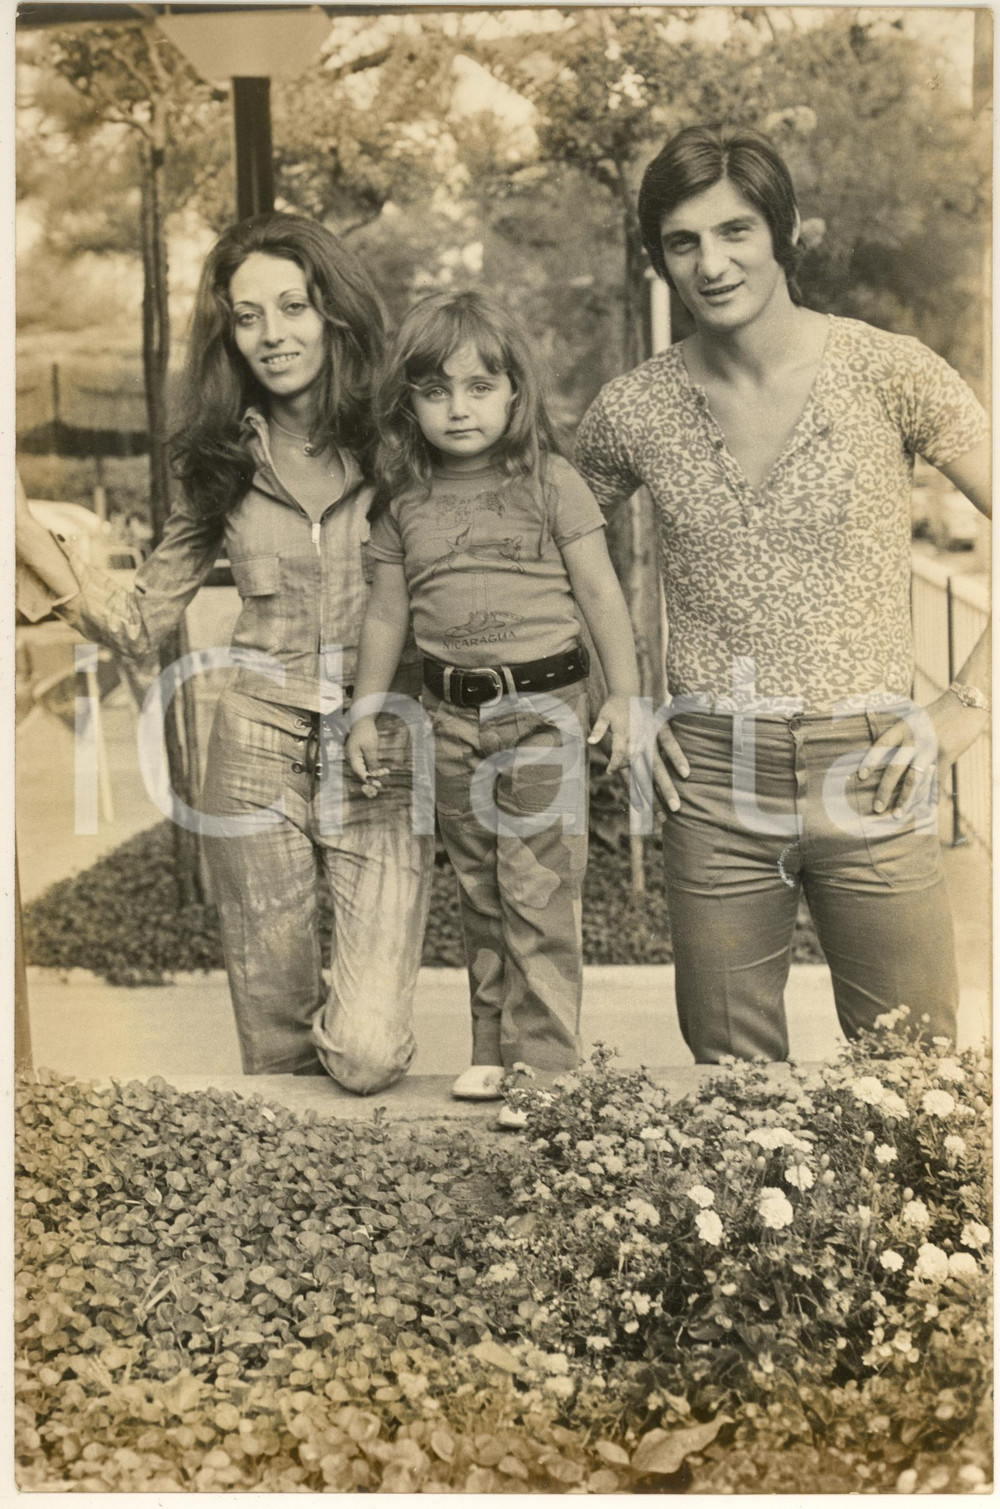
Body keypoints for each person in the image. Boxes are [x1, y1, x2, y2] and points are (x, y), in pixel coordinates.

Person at [574, 124, 990, 1064]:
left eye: (735, 231)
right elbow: (560, 551)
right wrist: (623, 691)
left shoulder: (891, 370)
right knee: (732, 1095)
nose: (712, 264)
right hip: (714, 778)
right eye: (683, 242)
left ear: (784, 229)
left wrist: (970, 702)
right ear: (659, 259)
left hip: (874, 761)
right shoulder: (632, 408)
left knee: (916, 1080)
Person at [15, 213, 434, 1091]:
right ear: (229, 332)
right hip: (252, 750)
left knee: (365, 1053)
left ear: (336, 313)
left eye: (294, 307)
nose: (274, 335)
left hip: (382, 746)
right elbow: (138, 618)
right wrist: (24, 531)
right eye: (249, 317)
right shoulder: (221, 457)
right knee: (278, 1051)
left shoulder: (402, 441)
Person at [345, 290, 640, 1126]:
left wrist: (625, 694)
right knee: (479, 888)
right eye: (435, 391)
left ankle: (545, 1068)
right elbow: (385, 614)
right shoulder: (404, 498)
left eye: (480, 387)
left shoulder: (552, 482)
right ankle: (490, 1047)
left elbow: (599, 593)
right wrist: (366, 710)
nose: (458, 408)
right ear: (409, 403)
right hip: (449, 717)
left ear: (515, 392)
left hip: (542, 711)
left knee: (538, 889)